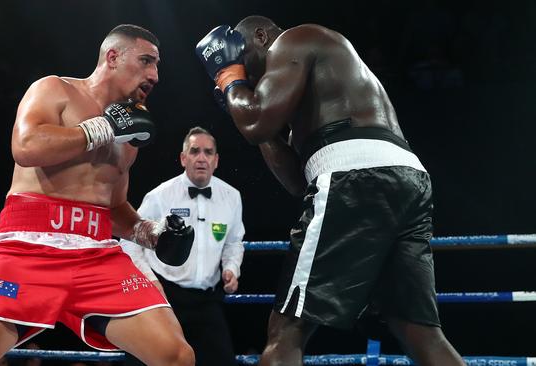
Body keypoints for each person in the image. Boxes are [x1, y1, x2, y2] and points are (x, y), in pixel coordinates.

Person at [195, 15, 465, 366]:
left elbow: (255, 120)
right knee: (419, 330)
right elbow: (294, 179)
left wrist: (229, 78)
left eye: (243, 59)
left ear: (261, 36)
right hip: (405, 181)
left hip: (356, 176)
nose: (246, 74)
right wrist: (242, 103)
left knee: (286, 330)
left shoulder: (294, 40)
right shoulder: (315, 94)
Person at [0, 24, 195, 366]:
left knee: (176, 356)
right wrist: (102, 129)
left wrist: (151, 233)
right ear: (113, 57)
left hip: (97, 256)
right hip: (28, 250)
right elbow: (26, 147)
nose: (154, 75)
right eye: (146, 61)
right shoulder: (54, 90)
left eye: (157, 66)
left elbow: (112, 206)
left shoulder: (132, 135)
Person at [121, 126, 245, 366]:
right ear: (183, 158)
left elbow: (233, 242)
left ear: (216, 160)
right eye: (195, 151)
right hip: (165, 296)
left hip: (207, 300)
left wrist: (232, 268)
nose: (201, 158)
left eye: (208, 152)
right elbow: (130, 242)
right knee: (147, 360)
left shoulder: (232, 196)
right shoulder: (161, 196)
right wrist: (151, 282)